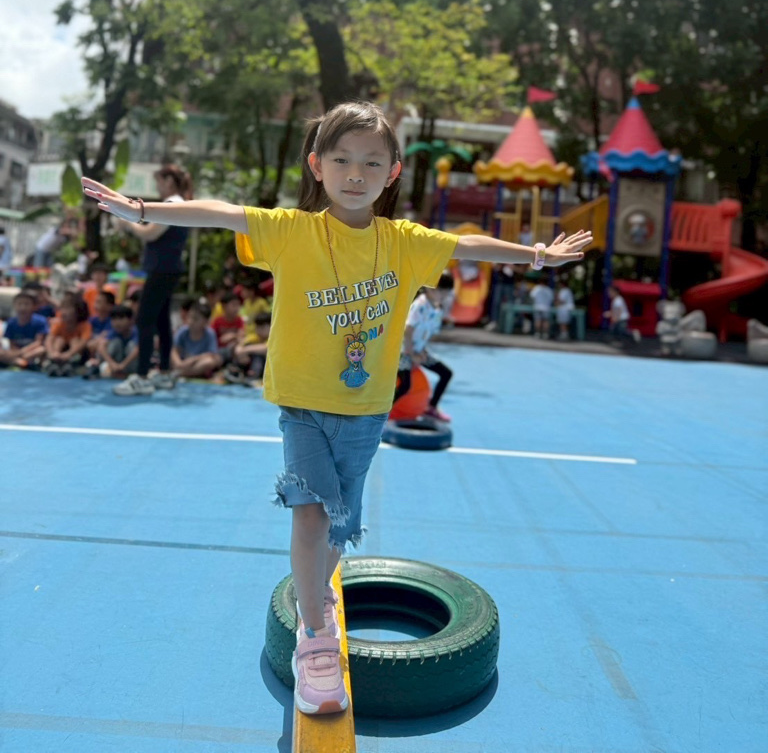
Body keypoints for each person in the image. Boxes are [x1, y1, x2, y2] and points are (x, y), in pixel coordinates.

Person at [81, 100, 591, 717]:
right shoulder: (292, 231)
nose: (356, 173)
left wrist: (537, 255)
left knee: (339, 523)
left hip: (367, 409)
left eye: (372, 163)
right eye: (342, 160)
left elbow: (468, 246)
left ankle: (318, 589)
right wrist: (141, 209)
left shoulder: (403, 242)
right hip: (304, 406)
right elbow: (220, 213)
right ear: (317, 165)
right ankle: (315, 638)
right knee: (310, 517)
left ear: (393, 172)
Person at [110, 164, 193, 396]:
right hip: (167, 269)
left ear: (169, 181)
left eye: (159, 181)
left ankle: (142, 376)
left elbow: (150, 233)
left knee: (144, 319)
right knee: (161, 321)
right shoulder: (178, 203)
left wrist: (128, 221)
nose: (157, 187)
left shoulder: (173, 203)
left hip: (162, 269)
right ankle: (164, 372)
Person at [394, 270, 455, 421]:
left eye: (446, 291)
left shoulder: (437, 308)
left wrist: (422, 352)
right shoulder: (420, 305)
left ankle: (431, 408)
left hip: (418, 350)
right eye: (440, 290)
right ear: (428, 287)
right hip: (404, 352)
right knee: (405, 386)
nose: (443, 295)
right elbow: (408, 331)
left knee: (446, 373)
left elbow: (426, 334)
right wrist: (412, 355)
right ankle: (381, 413)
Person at [170, 299, 222, 379]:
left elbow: (211, 355)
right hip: (183, 363)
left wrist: (192, 360)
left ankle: (182, 373)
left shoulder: (210, 334)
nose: (191, 321)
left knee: (209, 362)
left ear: (205, 322)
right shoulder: (182, 331)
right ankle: (186, 372)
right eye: (189, 317)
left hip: (196, 363)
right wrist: (179, 364)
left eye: (195, 319)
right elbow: (174, 351)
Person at [43, 293, 92, 376]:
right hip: (60, 353)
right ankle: (53, 363)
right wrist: (52, 353)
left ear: (78, 311)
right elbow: (49, 339)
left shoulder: (84, 325)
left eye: (68, 308)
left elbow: (83, 342)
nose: (64, 312)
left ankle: (72, 363)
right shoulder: (59, 323)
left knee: (74, 340)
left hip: (76, 355)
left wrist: (68, 354)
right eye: (62, 308)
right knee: (59, 340)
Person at [0, 291, 48, 369]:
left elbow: (38, 342)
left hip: (32, 351)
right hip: (17, 352)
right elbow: (11, 344)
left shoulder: (41, 321)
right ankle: (20, 362)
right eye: (19, 304)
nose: (23, 307)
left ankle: (19, 362)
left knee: (41, 350)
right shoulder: (11, 323)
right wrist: (17, 353)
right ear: (14, 305)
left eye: (26, 304)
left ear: (34, 306)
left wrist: (23, 352)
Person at [94, 304, 139, 379]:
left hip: (129, 365)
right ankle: (114, 371)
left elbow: (137, 350)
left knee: (131, 345)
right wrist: (112, 363)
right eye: (114, 319)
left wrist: (123, 365)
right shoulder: (114, 332)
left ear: (131, 320)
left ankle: (130, 373)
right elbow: (101, 347)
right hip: (117, 365)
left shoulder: (135, 331)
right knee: (115, 343)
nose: (117, 323)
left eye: (121, 318)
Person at [233, 310, 271, 383]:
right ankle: (236, 370)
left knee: (258, 356)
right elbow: (239, 346)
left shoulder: (272, 339)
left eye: (262, 327)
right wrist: (242, 354)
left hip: (265, 367)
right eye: (257, 327)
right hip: (248, 363)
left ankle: (253, 374)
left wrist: (245, 350)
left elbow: (266, 348)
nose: (259, 330)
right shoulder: (254, 337)